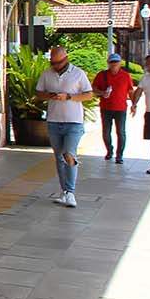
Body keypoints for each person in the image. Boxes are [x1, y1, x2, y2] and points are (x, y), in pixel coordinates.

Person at [37, 45, 94, 208]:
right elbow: (38, 93)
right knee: (59, 157)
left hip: (74, 122)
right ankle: (64, 191)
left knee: (69, 154)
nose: (55, 66)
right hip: (54, 121)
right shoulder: (47, 74)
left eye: (58, 63)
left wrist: (69, 97)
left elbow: (89, 94)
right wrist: (49, 95)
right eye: (52, 63)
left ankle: (70, 191)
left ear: (66, 59)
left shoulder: (78, 74)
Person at [92, 53, 134, 164]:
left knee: (121, 132)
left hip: (121, 108)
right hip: (106, 107)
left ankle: (119, 155)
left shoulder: (125, 76)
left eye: (116, 62)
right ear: (108, 63)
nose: (114, 64)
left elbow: (130, 91)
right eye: (112, 62)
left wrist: (134, 104)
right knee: (106, 131)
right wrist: (102, 93)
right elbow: (94, 88)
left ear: (120, 63)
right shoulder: (102, 75)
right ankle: (109, 151)